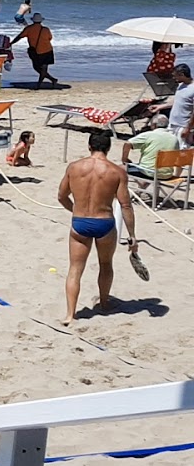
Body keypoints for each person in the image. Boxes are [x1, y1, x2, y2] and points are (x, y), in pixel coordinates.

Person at [58, 130, 137, 326]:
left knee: (75, 269)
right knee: (105, 264)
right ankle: (104, 303)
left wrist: (74, 211)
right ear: (109, 148)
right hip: (105, 223)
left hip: (80, 222)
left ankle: (70, 314)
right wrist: (132, 235)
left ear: (89, 146)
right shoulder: (117, 172)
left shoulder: (74, 167)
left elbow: (61, 196)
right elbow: (125, 205)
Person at [121, 115, 179, 179]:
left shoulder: (149, 135)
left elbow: (127, 144)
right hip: (167, 174)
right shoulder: (174, 138)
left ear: (154, 125)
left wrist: (124, 159)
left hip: (148, 172)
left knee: (119, 168)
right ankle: (142, 186)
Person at [151, 63, 194, 147]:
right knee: (170, 147)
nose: (174, 78)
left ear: (182, 74)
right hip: (172, 123)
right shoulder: (181, 86)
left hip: (183, 125)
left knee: (181, 149)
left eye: (175, 76)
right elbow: (178, 101)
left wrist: (188, 128)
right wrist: (160, 106)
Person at [11, 12, 59, 86]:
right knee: (44, 69)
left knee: (36, 67)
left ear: (33, 20)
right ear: (41, 21)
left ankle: (40, 84)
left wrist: (11, 43)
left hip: (36, 51)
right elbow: (50, 38)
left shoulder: (29, 29)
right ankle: (51, 80)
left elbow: (19, 37)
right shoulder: (46, 29)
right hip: (48, 50)